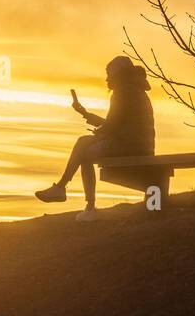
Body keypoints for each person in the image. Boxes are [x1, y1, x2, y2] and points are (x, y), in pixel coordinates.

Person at [35, 55, 154, 221]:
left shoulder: (124, 92)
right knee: (84, 147)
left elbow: (112, 126)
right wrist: (85, 114)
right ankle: (71, 195)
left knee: (83, 146)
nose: (106, 79)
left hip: (130, 145)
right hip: (137, 144)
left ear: (118, 74)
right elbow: (116, 123)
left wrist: (98, 133)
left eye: (109, 74)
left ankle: (77, 198)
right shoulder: (133, 90)